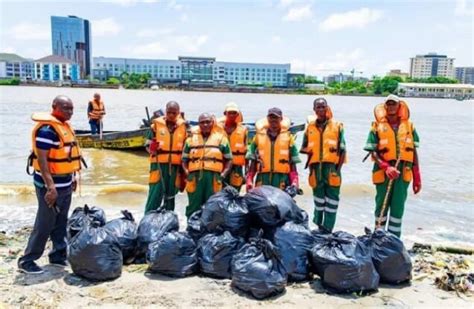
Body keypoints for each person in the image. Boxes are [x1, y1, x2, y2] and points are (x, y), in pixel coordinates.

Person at [18, 95, 82, 274]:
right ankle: (27, 260)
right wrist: (50, 187)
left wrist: (73, 177)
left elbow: (67, 155)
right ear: (54, 107)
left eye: (71, 109)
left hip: (65, 182)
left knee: (61, 220)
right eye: (65, 108)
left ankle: (58, 255)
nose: (69, 112)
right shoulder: (47, 130)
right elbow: (43, 160)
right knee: (45, 223)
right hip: (50, 185)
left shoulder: (65, 128)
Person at [363, 94, 421, 237]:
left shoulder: (409, 127)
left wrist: (417, 176)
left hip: (403, 172)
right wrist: (386, 167)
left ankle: (394, 241)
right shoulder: (376, 127)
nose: (391, 107)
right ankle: (379, 238)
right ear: (385, 107)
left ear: (399, 106)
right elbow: (373, 152)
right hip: (384, 171)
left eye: (394, 104)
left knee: (398, 208)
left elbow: (413, 152)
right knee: (381, 206)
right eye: (388, 104)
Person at [300, 98, 346, 233]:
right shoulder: (310, 128)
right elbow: (303, 147)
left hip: (331, 168)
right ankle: (319, 227)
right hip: (315, 169)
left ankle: (328, 229)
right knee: (319, 201)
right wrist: (312, 151)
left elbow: (343, 150)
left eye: (323, 107)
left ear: (327, 108)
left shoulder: (337, 126)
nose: (321, 110)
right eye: (318, 107)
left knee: (332, 202)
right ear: (314, 110)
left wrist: (337, 170)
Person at [181, 113, 233, 218]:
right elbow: (184, 160)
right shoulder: (190, 139)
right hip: (194, 177)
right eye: (202, 122)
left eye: (208, 122)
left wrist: (223, 175)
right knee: (193, 206)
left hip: (213, 178)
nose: (205, 124)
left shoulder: (221, 139)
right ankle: (191, 229)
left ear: (212, 123)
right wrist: (187, 172)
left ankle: (210, 231)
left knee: (213, 205)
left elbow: (229, 160)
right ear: (198, 124)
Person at [144, 101, 187, 213]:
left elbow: (187, 147)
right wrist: (152, 149)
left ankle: (168, 218)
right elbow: (147, 145)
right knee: (155, 194)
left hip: (175, 167)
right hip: (158, 165)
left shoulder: (184, 128)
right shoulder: (155, 127)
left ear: (178, 112)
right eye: (169, 112)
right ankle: (148, 218)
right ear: (166, 111)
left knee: (171, 196)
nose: (171, 115)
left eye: (174, 113)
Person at [246, 107, 301, 193]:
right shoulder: (258, 137)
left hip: (282, 180)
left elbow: (292, 163)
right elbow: (253, 162)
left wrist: (295, 182)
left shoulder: (288, 138)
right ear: (267, 119)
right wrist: (249, 179)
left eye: (276, 117)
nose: (273, 120)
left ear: (281, 119)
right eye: (271, 117)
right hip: (263, 180)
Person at [216, 102, 248, 192]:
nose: (232, 115)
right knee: (219, 191)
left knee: (235, 192)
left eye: (234, 113)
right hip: (220, 165)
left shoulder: (243, 130)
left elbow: (246, 151)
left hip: (236, 167)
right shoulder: (217, 129)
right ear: (225, 113)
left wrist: (246, 173)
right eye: (229, 112)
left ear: (238, 114)